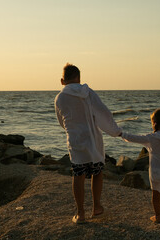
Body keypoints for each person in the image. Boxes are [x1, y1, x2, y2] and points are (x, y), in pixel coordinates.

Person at [55, 63, 122, 224]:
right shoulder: (88, 93)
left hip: (76, 141)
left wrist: (72, 129)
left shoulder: (60, 97)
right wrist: (114, 130)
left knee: (78, 175)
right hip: (93, 139)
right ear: (79, 78)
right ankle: (97, 208)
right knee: (97, 173)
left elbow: (61, 121)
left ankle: (80, 213)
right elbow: (103, 112)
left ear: (62, 80)